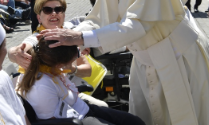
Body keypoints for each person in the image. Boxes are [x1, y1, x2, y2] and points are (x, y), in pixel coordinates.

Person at [38, 0, 209, 125]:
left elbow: (135, 26)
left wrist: (81, 38)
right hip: (145, 61)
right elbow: (95, 20)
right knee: (145, 116)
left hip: (177, 58)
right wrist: (72, 36)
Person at [8, 0, 107, 107]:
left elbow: (88, 70)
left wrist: (71, 68)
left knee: (103, 106)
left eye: (58, 9)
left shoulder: (69, 37)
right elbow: (25, 45)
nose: (54, 13)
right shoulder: (38, 37)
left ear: (63, 15)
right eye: (47, 10)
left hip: (66, 92)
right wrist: (13, 53)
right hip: (42, 99)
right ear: (39, 18)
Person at [17, 38, 145, 125]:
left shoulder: (51, 66)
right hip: (78, 120)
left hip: (83, 108)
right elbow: (52, 121)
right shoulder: (41, 88)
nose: (79, 57)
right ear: (60, 64)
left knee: (134, 122)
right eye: (75, 57)